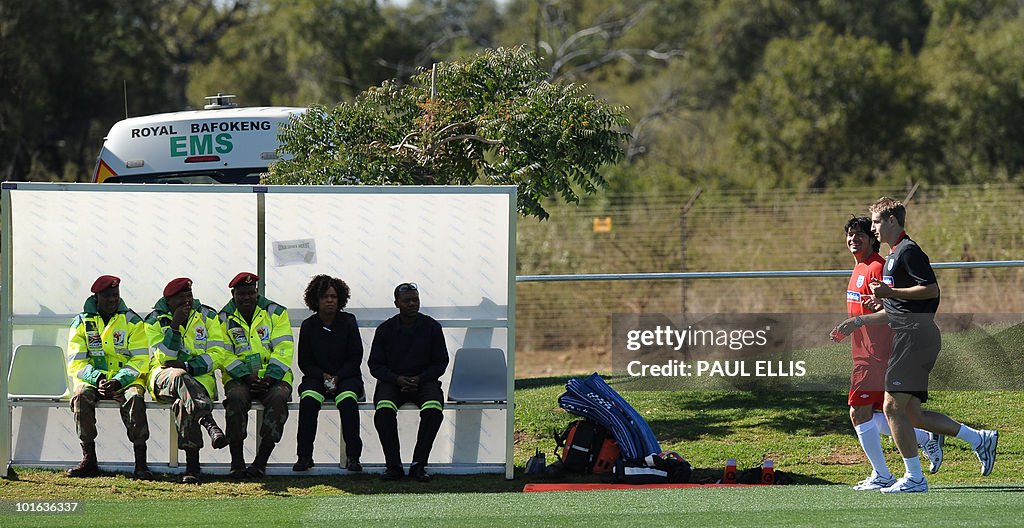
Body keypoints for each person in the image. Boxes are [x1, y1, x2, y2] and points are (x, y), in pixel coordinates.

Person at [834, 197, 998, 493]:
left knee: (890, 407)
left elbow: (931, 289)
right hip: (913, 338)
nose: (873, 228)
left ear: (892, 221)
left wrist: (889, 291)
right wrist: (867, 315)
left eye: (875, 222)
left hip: (915, 338)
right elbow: (898, 307)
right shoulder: (895, 254)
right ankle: (979, 440)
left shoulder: (907, 251)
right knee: (912, 414)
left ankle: (913, 478)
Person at [831, 217, 943, 491]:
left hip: (877, 353)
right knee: (884, 412)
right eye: (849, 235)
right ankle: (924, 436)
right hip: (864, 351)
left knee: (858, 411)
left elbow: (893, 308)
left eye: (859, 235)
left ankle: (883, 474)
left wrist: (865, 319)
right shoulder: (859, 267)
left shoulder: (878, 267)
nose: (853, 239)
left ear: (872, 238)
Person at [65, 275, 153, 479]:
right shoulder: (81, 322)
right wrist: (97, 379)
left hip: (126, 381)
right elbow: (76, 362)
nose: (113, 300)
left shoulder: (132, 321)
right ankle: (89, 460)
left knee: (135, 400)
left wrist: (119, 380)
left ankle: (141, 464)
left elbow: (140, 360)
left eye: (116, 295)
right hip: (93, 381)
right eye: (107, 296)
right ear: (96, 297)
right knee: (80, 398)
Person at [145, 277, 230, 484]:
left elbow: (218, 354)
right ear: (169, 300)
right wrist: (174, 327)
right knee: (179, 376)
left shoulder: (208, 316)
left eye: (189, 295)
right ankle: (208, 422)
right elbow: (164, 358)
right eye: (181, 297)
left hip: (199, 379)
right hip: (163, 377)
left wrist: (190, 366)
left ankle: (192, 467)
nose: (187, 301)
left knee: (182, 402)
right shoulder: (154, 320)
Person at [368, 282, 449, 482]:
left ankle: (418, 464)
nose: (412, 304)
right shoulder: (385, 329)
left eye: (415, 300)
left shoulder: (432, 327)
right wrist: (397, 379)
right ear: (397, 303)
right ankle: (393, 466)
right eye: (407, 301)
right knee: (384, 411)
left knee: (433, 410)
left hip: (424, 382)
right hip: (392, 383)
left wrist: (420, 379)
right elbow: (375, 365)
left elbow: (441, 363)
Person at [219, 272, 294, 479]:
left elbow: (284, 348)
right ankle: (237, 463)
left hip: (275, 377)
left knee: (279, 399)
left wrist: (269, 377)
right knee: (235, 399)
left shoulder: (276, 313)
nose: (246, 298)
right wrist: (245, 376)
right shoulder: (223, 318)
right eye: (241, 294)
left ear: (257, 292)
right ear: (233, 294)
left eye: (250, 293)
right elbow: (223, 353)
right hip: (240, 378)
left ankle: (260, 462)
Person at [293, 275, 365, 473]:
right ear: (315, 300)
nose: (330, 300)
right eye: (325, 296)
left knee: (348, 402)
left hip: (346, 378)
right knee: (308, 401)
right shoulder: (308, 326)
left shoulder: (349, 321)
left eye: (333, 296)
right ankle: (304, 456)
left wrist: (338, 377)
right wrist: (323, 376)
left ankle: (353, 457)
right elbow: (304, 362)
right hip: (317, 378)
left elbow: (356, 356)